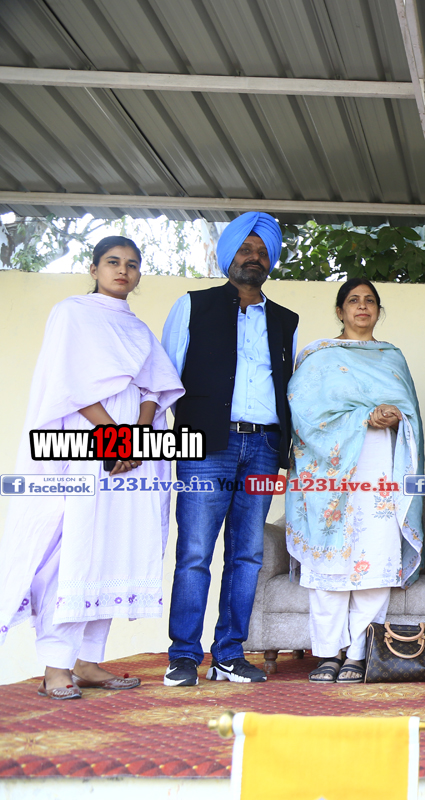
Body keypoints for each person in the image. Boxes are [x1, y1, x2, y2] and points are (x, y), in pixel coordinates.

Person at [0, 237, 184, 699]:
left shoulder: (138, 328)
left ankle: (87, 661)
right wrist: (114, 437)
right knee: (75, 548)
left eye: (132, 264)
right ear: (94, 267)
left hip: (136, 454)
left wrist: (139, 436)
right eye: (113, 262)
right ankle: (55, 666)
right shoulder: (72, 314)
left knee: (112, 548)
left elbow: (154, 389)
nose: (123, 270)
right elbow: (68, 383)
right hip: (88, 446)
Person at [161, 212, 299, 686]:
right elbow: (166, 378)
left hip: (263, 446)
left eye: (262, 252)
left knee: (247, 555)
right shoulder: (192, 305)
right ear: (228, 255)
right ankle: (183, 655)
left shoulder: (285, 321)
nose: (254, 257)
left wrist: (285, 449)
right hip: (204, 446)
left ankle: (229, 654)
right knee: (195, 551)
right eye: (245, 249)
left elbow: (288, 389)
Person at [285, 279, 423, 683]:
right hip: (328, 475)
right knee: (329, 564)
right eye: (353, 300)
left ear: (378, 310)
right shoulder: (319, 357)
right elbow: (304, 415)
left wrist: (396, 418)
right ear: (340, 310)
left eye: (370, 301)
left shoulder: (392, 357)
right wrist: (364, 416)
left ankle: (359, 654)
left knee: (375, 560)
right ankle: (328, 654)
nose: (362, 306)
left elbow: (412, 415)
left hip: (381, 470)